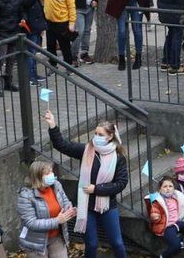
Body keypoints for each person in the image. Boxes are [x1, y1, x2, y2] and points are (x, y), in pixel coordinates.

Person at [43, 109, 129, 258]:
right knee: (91, 243)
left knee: (117, 243)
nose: (96, 137)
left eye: (101, 135)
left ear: (110, 136)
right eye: (95, 133)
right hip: (87, 207)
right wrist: (53, 126)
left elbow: (121, 183)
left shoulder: (118, 157)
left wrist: (96, 189)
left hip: (108, 206)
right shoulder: (87, 150)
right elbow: (62, 145)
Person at [16, 159, 75, 258]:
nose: (52, 175)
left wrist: (69, 210)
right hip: (36, 242)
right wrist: (57, 221)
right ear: (38, 176)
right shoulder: (25, 195)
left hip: (57, 237)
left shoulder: (56, 185)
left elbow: (65, 201)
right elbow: (31, 223)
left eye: (51, 171)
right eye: (48, 173)